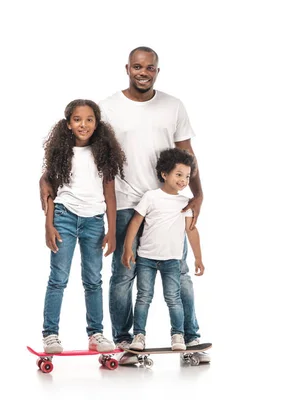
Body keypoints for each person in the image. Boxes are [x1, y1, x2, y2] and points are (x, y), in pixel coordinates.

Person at [39, 46, 210, 364]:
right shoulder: (108, 107)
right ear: (127, 68)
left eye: (149, 67)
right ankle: (124, 340)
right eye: (136, 66)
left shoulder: (174, 106)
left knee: (179, 269)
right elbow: (86, 154)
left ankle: (190, 336)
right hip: (125, 202)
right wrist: (48, 189)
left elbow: (187, 154)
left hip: (168, 203)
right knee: (122, 273)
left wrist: (198, 195)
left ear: (157, 70)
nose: (143, 72)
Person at [39, 99, 126, 354]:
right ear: (68, 124)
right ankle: (50, 334)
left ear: (97, 124)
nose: (83, 124)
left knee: (93, 280)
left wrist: (111, 230)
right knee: (58, 278)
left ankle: (96, 334)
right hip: (64, 217)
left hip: (94, 222)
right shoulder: (60, 153)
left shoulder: (103, 154)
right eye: (77, 119)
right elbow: (51, 193)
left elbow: (110, 195)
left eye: (89, 119)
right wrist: (48, 224)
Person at [121, 148, 204, 351]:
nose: (183, 180)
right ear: (164, 174)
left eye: (186, 176)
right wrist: (127, 249)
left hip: (172, 261)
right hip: (146, 259)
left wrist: (198, 258)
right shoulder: (151, 197)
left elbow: (191, 231)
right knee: (143, 297)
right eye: (178, 175)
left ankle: (178, 335)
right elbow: (135, 222)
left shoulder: (185, 203)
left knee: (173, 299)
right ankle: (139, 336)